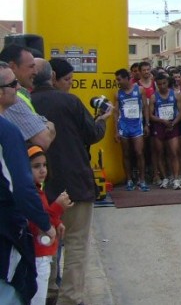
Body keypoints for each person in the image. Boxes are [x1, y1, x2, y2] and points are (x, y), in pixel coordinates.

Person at [31, 59, 110, 305]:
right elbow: (92, 134)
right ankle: (70, 297)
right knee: (76, 243)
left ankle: (49, 291)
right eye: (67, 80)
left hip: (41, 185)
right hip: (75, 181)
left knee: (47, 238)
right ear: (53, 77)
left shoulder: (24, 103)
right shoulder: (70, 102)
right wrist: (103, 119)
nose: (70, 85)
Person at [0, 63, 55, 305]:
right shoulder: (7, 130)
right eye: (13, 85)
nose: (18, 88)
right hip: (6, 231)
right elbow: (21, 186)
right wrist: (45, 223)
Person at [26, 146, 71, 305]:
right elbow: (40, 222)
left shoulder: (38, 190)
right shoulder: (31, 193)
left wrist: (57, 220)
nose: (42, 170)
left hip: (45, 252)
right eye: (36, 166)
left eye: (44, 165)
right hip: (38, 254)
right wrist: (58, 207)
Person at [0, 45, 55, 150]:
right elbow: (43, 140)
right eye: (31, 66)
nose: (36, 72)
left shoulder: (17, 96)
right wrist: (48, 125)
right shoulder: (13, 101)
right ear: (12, 67)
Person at [114, 69, 150, 191]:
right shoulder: (118, 93)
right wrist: (116, 131)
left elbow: (145, 107)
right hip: (124, 126)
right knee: (126, 154)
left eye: (119, 79)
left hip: (137, 126)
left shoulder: (139, 90)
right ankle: (129, 180)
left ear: (126, 78)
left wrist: (147, 124)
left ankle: (142, 180)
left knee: (139, 153)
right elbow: (115, 113)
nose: (117, 82)